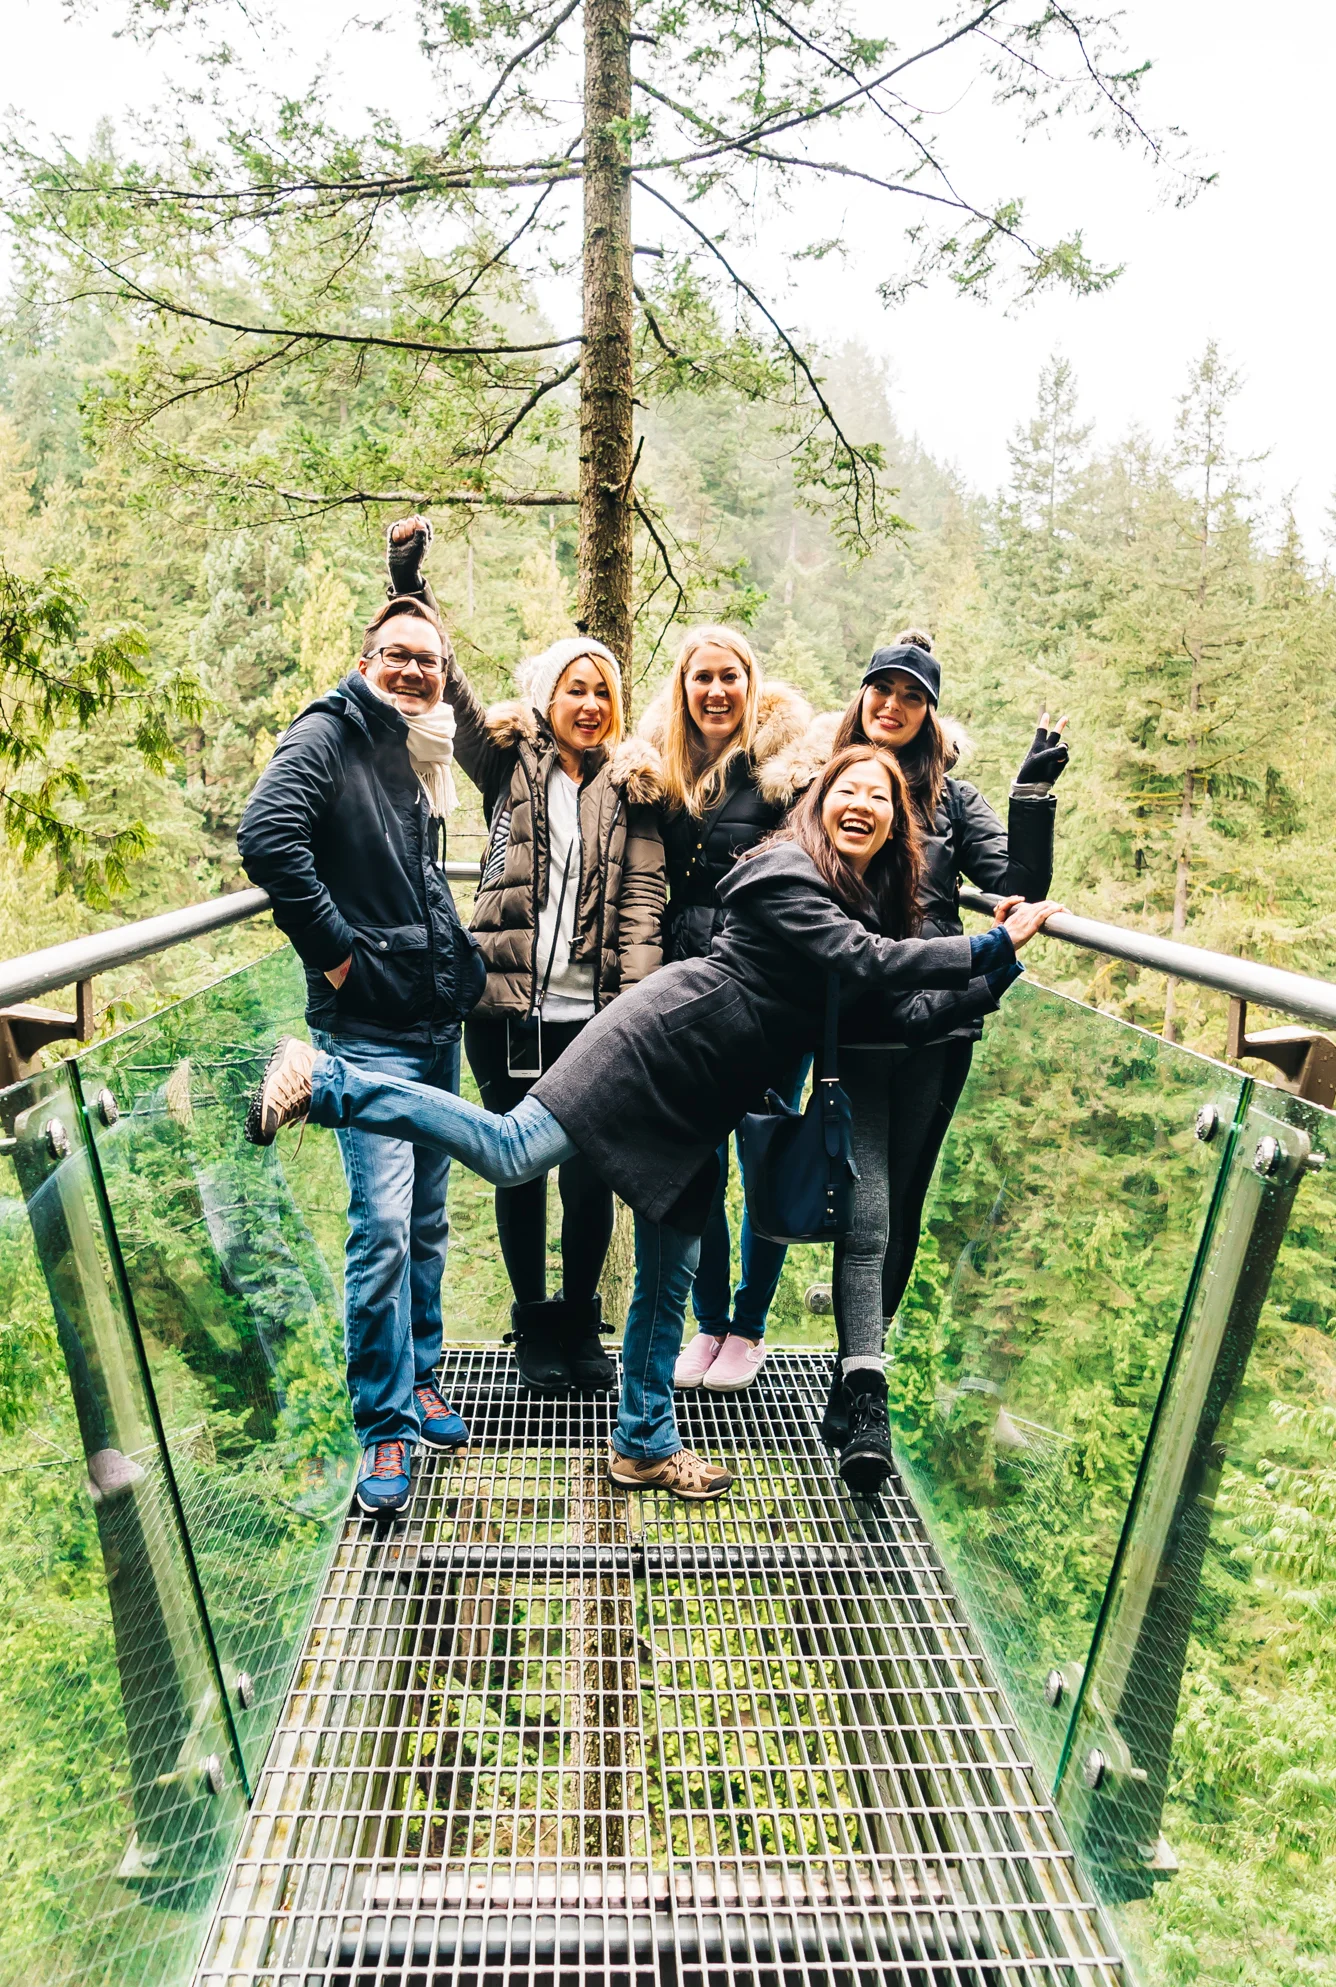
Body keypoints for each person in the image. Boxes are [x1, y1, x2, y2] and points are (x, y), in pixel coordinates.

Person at [244, 745, 1060, 1503]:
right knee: (512, 1151)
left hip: (704, 1093)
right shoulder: (786, 871)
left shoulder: (861, 907)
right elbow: (870, 966)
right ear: (817, 801)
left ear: (894, 826)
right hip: (660, 1045)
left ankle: (643, 1440)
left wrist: (1004, 967)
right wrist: (988, 944)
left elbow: (908, 1006)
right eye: (846, 789)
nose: (861, 804)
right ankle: (330, 1080)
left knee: (672, 1266)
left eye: (879, 798)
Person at [383, 517, 665, 1394]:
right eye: (574, 689)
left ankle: (581, 1325)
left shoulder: (634, 786)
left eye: (602, 692)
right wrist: (410, 584)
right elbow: (449, 694)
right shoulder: (507, 764)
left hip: (598, 1018)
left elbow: (647, 903)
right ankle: (533, 1328)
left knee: (590, 1182)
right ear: (546, 697)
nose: (589, 704)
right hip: (506, 1007)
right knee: (517, 1172)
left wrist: (639, 1007)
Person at [237, 588, 484, 1520]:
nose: (416, 671)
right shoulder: (331, 731)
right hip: (370, 1025)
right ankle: (383, 1420)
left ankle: (420, 1376)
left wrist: (409, 567)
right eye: (399, 655)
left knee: (423, 1220)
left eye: (430, 660)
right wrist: (338, 957)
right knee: (380, 1228)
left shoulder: (408, 750)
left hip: (430, 1019)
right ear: (365, 659)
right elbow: (268, 839)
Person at [817, 629, 1069, 1474]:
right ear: (860, 697)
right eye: (880, 689)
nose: (891, 705)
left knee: (905, 1208)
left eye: (910, 694)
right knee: (867, 1209)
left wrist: (1030, 796)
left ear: (929, 712)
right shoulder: (828, 784)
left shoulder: (954, 803)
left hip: (937, 1029)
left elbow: (1018, 891)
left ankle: (860, 1371)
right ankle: (864, 1397)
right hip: (852, 1024)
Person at [639, 625, 816, 1395]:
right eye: (701, 678)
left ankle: (749, 1327)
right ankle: (708, 1323)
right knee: (697, 1163)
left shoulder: (787, 771)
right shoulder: (663, 772)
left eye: (729, 677)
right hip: (690, 988)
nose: (715, 691)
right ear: (683, 690)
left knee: (765, 1155)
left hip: (776, 992)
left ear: (753, 685)